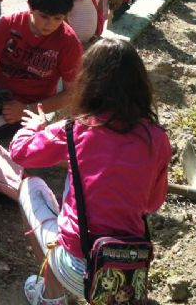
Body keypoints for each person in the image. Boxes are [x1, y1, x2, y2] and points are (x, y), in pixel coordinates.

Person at [10, 38, 172, 305]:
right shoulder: (157, 138)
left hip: (77, 268)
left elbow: (20, 152)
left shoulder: (76, 130)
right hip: (126, 272)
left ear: (89, 82)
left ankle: (52, 295)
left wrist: (36, 126)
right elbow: (152, 203)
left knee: (31, 187)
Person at [0, 0, 83, 136]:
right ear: (30, 6)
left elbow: (71, 93)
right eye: (43, 16)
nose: (49, 24)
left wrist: (28, 109)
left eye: (57, 18)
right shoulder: (9, 24)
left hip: (32, 114)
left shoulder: (69, 43)